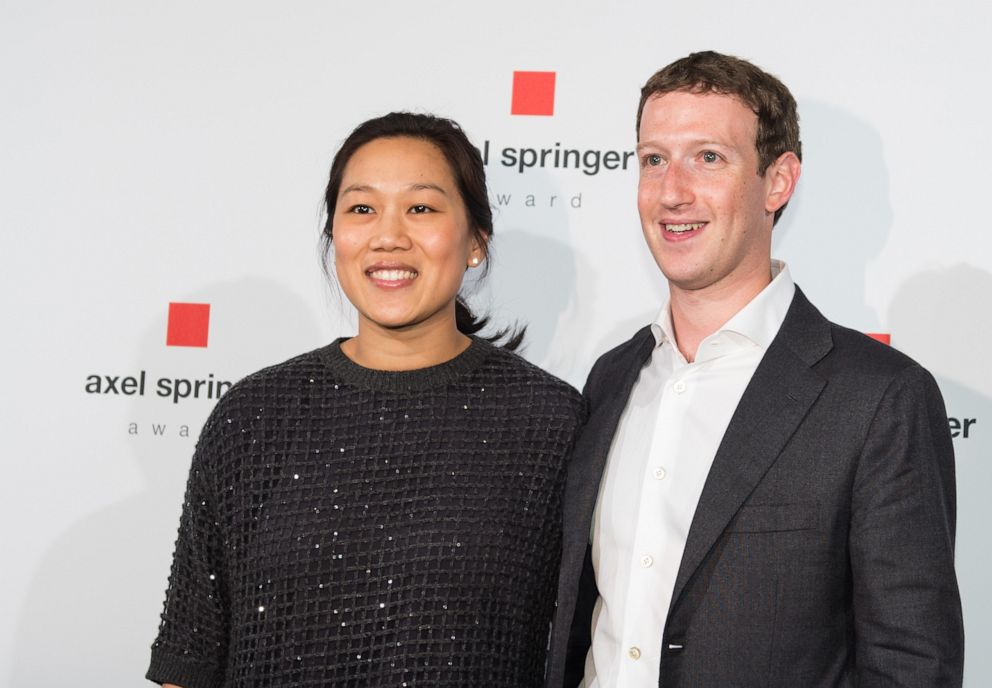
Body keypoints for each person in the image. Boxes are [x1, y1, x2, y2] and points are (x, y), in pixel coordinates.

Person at [546, 51, 964, 687]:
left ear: (779, 181)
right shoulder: (610, 379)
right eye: (654, 159)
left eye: (708, 158)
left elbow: (912, 663)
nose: (672, 191)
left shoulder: (879, 398)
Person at [147, 112, 585, 687]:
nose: (388, 235)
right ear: (335, 237)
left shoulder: (551, 425)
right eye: (361, 208)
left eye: (421, 208)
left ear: (476, 241)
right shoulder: (252, 418)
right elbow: (192, 656)